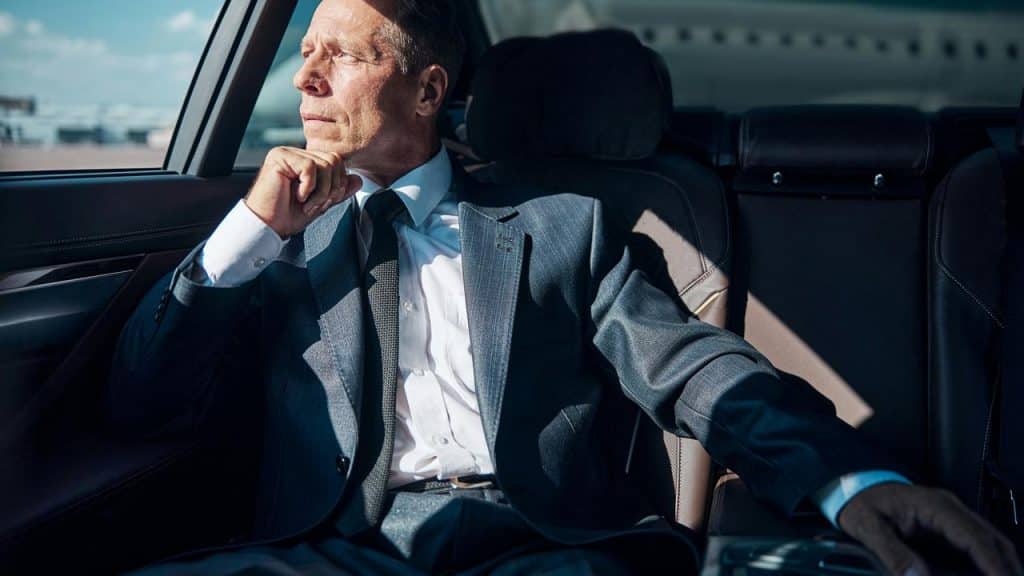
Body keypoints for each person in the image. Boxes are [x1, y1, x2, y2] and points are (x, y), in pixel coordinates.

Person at [109, 0, 1022, 574]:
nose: (304, 77)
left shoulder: (563, 225)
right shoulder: (278, 238)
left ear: (428, 91)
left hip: (536, 543)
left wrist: (845, 481)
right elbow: (145, 402)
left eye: (343, 55)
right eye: (305, 49)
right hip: (335, 547)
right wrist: (250, 234)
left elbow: (697, 371)